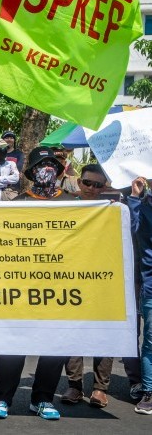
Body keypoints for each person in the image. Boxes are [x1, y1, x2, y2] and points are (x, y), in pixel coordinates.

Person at [0, 147, 76, 421]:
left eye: (52, 164)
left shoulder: (75, 204)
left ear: (60, 170)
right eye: (41, 164)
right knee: (13, 344)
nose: (46, 168)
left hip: (59, 286)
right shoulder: (18, 203)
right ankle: (2, 398)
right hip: (22, 286)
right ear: (30, 172)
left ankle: (43, 399)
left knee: (53, 346)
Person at [60, 164, 117, 408]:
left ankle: (100, 388)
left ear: (104, 187)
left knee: (104, 332)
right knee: (72, 331)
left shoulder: (114, 211)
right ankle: (74, 386)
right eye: (87, 183)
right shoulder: (64, 207)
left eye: (97, 185)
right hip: (69, 277)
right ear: (79, 182)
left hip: (103, 279)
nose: (91, 188)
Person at [127, 176, 152, 415]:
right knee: (151, 343)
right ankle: (149, 391)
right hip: (151, 286)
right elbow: (131, 228)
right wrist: (135, 196)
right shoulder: (144, 207)